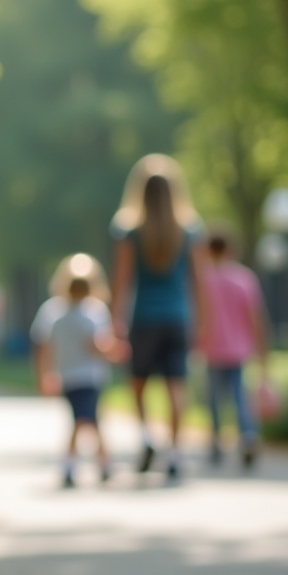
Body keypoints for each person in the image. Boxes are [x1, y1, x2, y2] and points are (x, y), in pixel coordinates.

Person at [109, 153, 207, 481]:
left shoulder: (128, 230)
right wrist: (203, 321)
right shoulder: (190, 229)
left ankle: (148, 438)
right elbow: (198, 280)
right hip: (178, 317)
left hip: (144, 318)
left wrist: (114, 321)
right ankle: (176, 452)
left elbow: (121, 281)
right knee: (176, 385)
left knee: (137, 384)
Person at [31, 254, 123, 487]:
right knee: (87, 420)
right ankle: (82, 465)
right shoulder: (84, 315)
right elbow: (96, 344)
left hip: (70, 375)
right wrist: (114, 351)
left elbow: (47, 348)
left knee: (87, 419)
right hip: (89, 376)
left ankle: (95, 464)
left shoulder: (59, 315)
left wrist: (45, 374)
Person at [200, 227, 269, 468]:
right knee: (240, 397)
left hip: (210, 348)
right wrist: (262, 350)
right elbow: (256, 317)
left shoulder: (201, 280)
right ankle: (248, 437)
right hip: (239, 349)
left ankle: (217, 442)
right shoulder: (244, 278)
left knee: (214, 399)